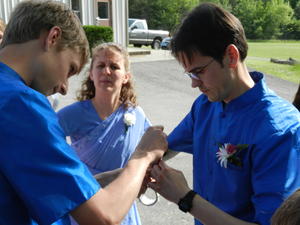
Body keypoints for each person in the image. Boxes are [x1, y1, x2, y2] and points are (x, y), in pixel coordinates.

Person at [0, 1, 167, 225]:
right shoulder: (22, 104)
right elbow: (103, 216)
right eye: (70, 69)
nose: (64, 88)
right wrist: (144, 155)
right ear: (52, 38)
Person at [148, 3, 300, 225]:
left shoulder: (280, 129)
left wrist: (186, 198)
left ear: (230, 55)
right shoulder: (205, 106)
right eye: (190, 74)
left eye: (199, 71)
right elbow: (165, 148)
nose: (194, 84)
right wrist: (142, 156)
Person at [57, 42, 150, 225]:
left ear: (126, 77)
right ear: (91, 74)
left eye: (114, 66)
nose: (106, 71)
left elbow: (151, 149)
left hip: (123, 204)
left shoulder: (136, 114)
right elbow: (45, 144)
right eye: (100, 66)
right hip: (87, 204)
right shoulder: (73, 113)